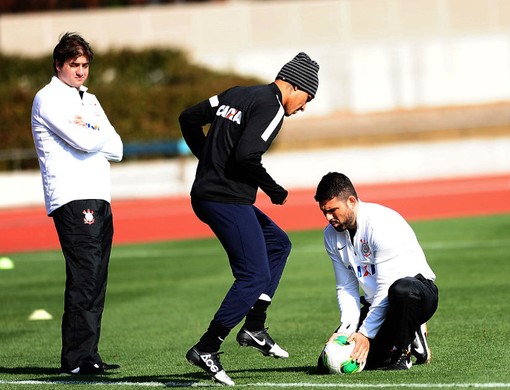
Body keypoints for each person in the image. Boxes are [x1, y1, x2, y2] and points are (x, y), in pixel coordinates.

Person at [178, 52, 319, 386]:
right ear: (295, 86)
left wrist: (209, 159)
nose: (302, 108)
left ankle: (254, 326)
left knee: (278, 244)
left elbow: (188, 117)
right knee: (253, 276)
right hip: (224, 199)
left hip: (211, 194)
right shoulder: (271, 107)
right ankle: (207, 347)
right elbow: (246, 155)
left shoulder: (236, 93)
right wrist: (274, 189)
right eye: (307, 99)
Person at [31, 32, 123, 375]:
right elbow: (87, 141)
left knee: (97, 278)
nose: (81, 71)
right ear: (59, 65)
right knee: (85, 276)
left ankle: (89, 353)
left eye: (85, 65)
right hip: (72, 196)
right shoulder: (49, 98)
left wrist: (92, 130)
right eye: (74, 65)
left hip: (99, 194)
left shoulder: (89, 99)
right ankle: (75, 359)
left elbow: (117, 147)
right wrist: (94, 132)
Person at [314, 172, 439, 371]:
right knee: (333, 363)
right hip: (379, 306)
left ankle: (403, 351)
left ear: (352, 201)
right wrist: (347, 330)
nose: (329, 217)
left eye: (333, 210)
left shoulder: (381, 224)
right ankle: (410, 334)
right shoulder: (330, 235)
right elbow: (346, 287)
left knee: (401, 290)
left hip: (416, 296)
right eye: (324, 212)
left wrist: (365, 333)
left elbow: (386, 288)